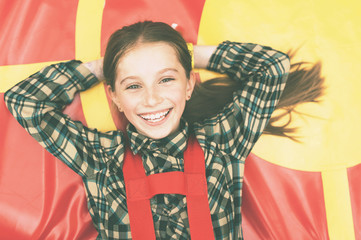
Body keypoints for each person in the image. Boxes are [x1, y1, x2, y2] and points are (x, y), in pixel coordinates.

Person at [4, 21, 324, 239]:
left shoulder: (223, 140)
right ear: (113, 96)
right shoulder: (99, 156)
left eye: (166, 79)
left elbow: (272, 68)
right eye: (132, 85)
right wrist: (103, 66)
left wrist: (189, 54)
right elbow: (24, 101)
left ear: (189, 85)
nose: (152, 99)